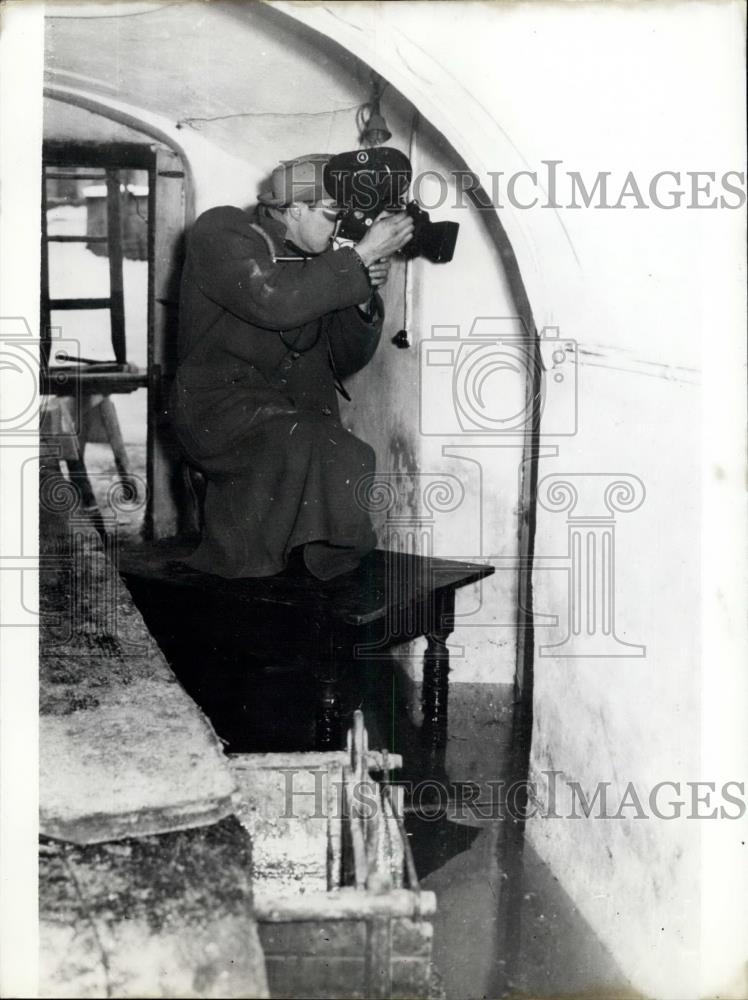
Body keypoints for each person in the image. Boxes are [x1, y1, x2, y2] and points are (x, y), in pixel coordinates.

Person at [171, 153, 414, 580]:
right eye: (333, 214)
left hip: (289, 414)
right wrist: (359, 258)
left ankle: (322, 572)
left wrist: (360, 298)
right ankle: (258, 570)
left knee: (351, 453)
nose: (341, 228)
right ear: (295, 208)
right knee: (309, 445)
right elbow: (272, 298)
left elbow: (346, 358)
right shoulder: (224, 230)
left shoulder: (325, 261)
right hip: (216, 408)